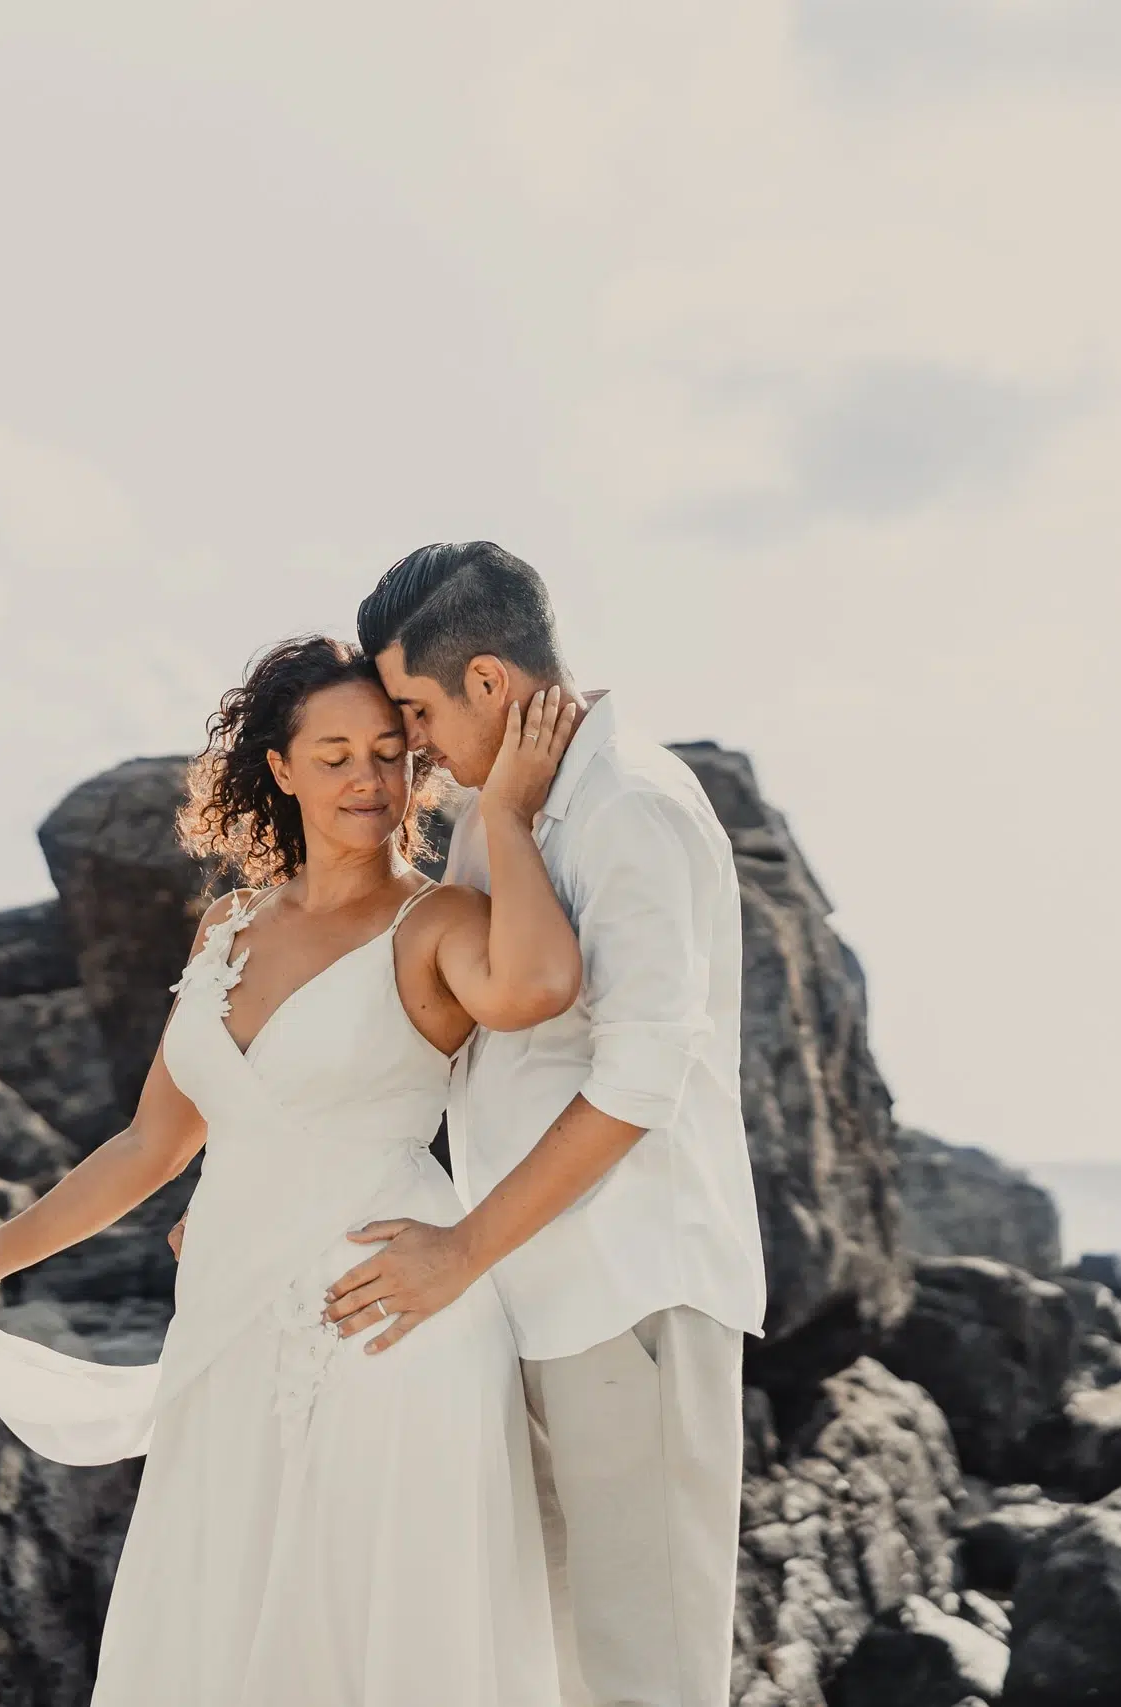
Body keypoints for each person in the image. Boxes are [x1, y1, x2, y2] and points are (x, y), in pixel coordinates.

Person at [0, 634, 583, 1707]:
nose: (368, 780)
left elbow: (538, 987)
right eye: (332, 755)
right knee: (219, 1639)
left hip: (384, 1322)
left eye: (389, 751)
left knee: (376, 1645)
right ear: (278, 769)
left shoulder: (439, 921)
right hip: (227, 1328)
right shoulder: (227, 924)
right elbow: (154, 1143)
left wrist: (502, 818)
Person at [324, 541, 766, 1707]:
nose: (410, 743)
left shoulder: (632, 810)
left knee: (650, 1678)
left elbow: (638, 1084)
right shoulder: (496, 820)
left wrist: (460, 1252)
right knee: (562, 1674)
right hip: (534, 1294)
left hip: (635, 1292)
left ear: (486, 683)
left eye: (414, 709)